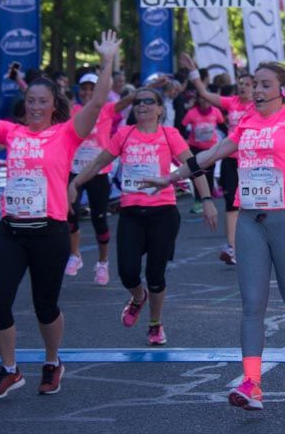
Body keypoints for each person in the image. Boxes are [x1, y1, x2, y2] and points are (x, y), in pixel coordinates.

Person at [145, 62, 285, 410]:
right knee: (252, 305)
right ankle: (252, 383)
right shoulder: (246, 122)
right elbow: (211, 154)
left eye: (265, 85)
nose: (257, 91)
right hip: (249, 221)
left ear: (283, 90)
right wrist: (169, 178)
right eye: (254, 85)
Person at [0, 32, 120, 400]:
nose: (35, 106)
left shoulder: (67, 133)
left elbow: (99, 101)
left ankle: (52, 361)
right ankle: (10, 370)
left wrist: (106, 62)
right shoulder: (12, 132)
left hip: (49, 232)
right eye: (31, 100)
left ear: (54, 105)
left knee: (45, 306)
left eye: (42, 101)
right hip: (12, 231)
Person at [70, 86, 216, 346]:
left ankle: (155, 324)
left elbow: (193, 166)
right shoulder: (124, 134)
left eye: (149, 101)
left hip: (163, 213)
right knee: (127, 272)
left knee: (156, 274)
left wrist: (206, 200)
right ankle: (138, 297)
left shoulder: (169, 134)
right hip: (131, 213)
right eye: (138, 102)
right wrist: (75, 183)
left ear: (160, 109)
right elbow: (98, 162)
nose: (142, 105)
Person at [180, 53, 254, 265]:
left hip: (253, 162)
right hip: (231, 160)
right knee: (231, 204)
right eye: (240, 83)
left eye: (247, 84)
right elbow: (203, 92)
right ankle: (232, 248)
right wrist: (193, 71)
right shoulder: (231, 103)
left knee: (253, 204)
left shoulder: (260, 105)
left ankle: (258, 243)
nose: (243, 87)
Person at [63, 73, 122, 285]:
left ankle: (103, 262)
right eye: (84, 88)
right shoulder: (73, 111)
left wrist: (151, 87)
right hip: (75, 171)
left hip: (99, 172)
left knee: (99, 219)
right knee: (69, 212)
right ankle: (75, 255)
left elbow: (129, 100)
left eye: (92, 89)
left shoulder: (107, 109)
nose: (87, 92)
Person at [180, 93, 225, 215]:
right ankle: (197, 201)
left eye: (207, 99)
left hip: (211, 149)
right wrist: (184, 140)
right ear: (198, 100)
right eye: (202, 99)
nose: (205, 101)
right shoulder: (191, 113)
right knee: (196, 174)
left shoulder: (216, 112)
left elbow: (223, 126)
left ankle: (208, 201)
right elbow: (182, 127)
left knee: (209, 175)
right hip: (195, 148)